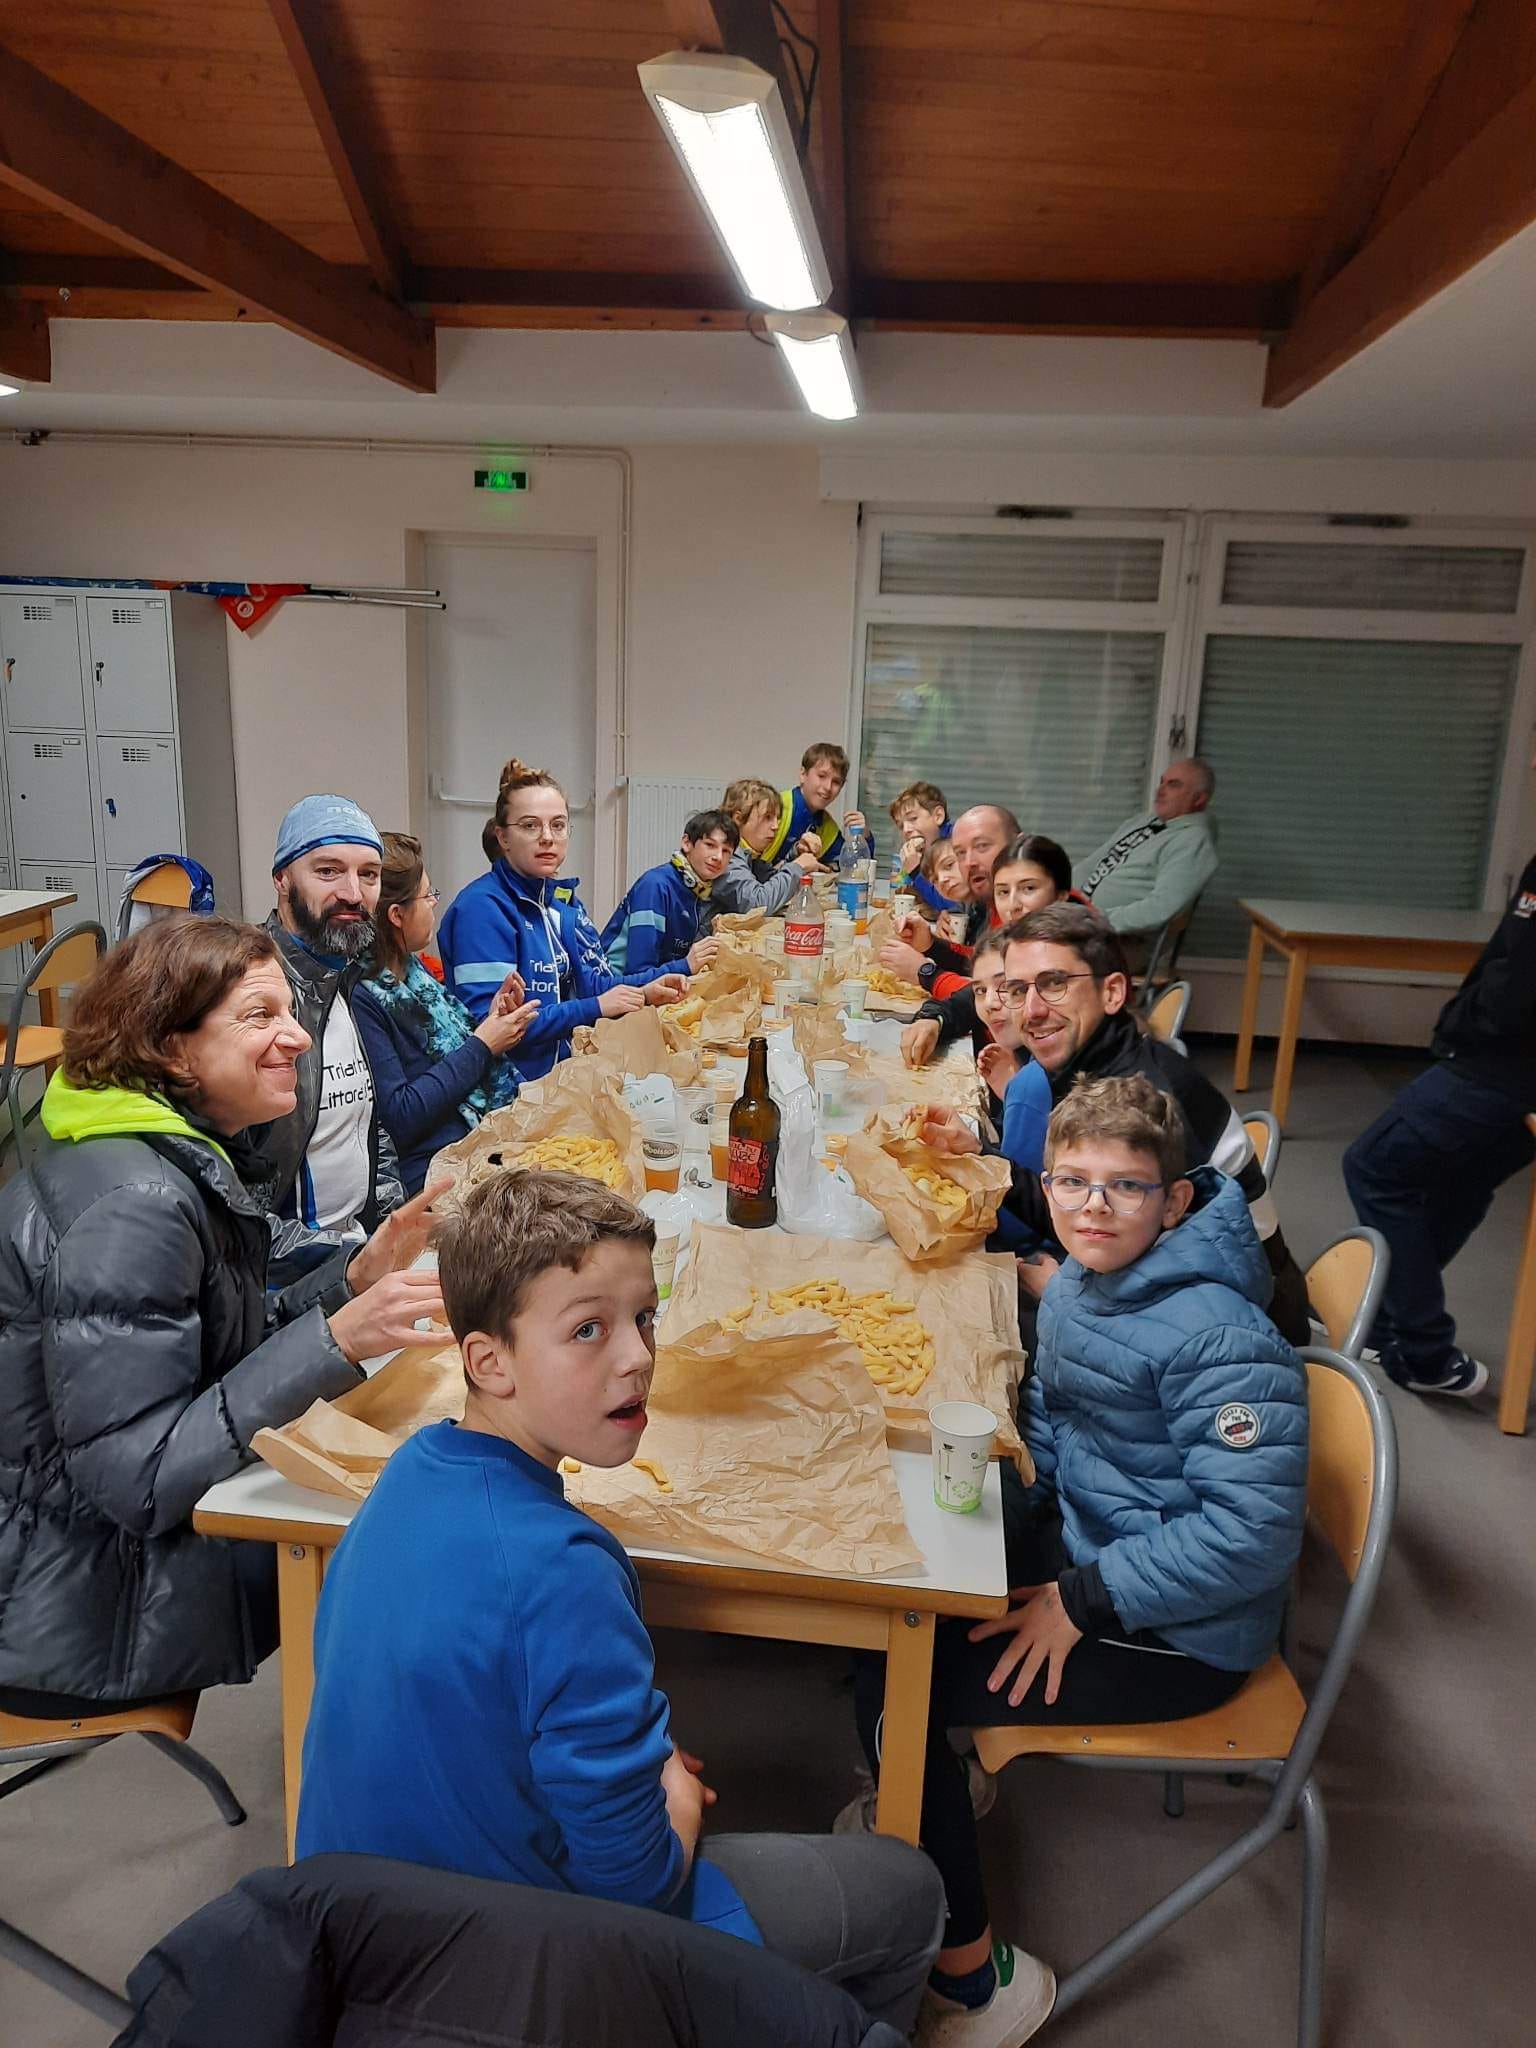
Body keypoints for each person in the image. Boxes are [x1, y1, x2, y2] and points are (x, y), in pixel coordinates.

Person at [296, 1170, 945, 2036]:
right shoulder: (564, 1569)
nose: (638, 1356)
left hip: (362, 1942)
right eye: (588, 1330)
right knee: (907, 1889)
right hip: (516, 1974)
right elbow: (636, 1882)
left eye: (644, 1317)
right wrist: (673, 1794)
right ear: (488, 1362)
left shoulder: (409, 1474)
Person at [846, 1076, 1308, 2045]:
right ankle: (932, 1789)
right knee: (898, 1591)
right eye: (1071, 1180)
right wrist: (1019, 1509)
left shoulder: (1221, 1337)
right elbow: (1066, 1414)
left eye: (1124, 1186)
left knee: (902, 1681)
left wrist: (1081, 1598)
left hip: (1183, 1631)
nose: (1092, 1206)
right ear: (1044, 1182)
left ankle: (976, 1983)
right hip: (1100, 1547)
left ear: (1173, 1201)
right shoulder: (1086, 1283)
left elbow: (1250, 1535)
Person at [0, 917, 445, 1715]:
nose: (297, 1038)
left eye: (291, 1012)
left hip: (66, 1559)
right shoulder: (136, 1204)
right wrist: (335, 1340)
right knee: (417, 1538)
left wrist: (351, 1281)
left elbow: (211, 1347)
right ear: (172, 1049)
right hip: (72, 1605)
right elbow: (142, 1481)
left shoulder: (159, 1147)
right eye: (259, 1016)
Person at [920, 904, 1311, 1343]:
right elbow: (1094, 1209)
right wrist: (980, 1154)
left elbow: (1199, 1284)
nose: (1030, 1011)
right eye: (1017, 989)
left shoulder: (1146, 1102)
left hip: (1233, 1321)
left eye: (1054, 984)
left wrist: (1065, 1294)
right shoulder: (1090, 1063)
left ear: (1112, 992)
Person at [1343, 851, 1536, 1398]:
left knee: (1375, 1167)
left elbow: (1516, 985)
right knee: (1462, 1183)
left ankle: (1422, 1347)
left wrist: (1462, 1025)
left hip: (1499, 1066)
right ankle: (1386, 1325)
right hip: (1512, 1070)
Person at [437, 758, 686, 1081]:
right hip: (508, 1087)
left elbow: (592, 986)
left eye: (558, 825)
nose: (547, 837)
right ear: (502, 837)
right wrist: (596, 1007)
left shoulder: (550, 903)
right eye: (530, 826)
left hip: (558, 1073)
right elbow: (491, 1028)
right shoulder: (481, 908)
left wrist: (646, 991)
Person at [249, 794, 406, 1270]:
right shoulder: (248, 999)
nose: (353, 893)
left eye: (369, 874)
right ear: (282, 879)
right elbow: (234, 1215)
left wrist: (394, 1229)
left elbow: (368, 1124)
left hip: (355, 1257)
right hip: (290, 1283)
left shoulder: (346, 977)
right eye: (328, 871)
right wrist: (350, 1260)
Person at [353, 833, 541, 1195]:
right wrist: (483, 1045)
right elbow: (401, 1115)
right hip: (434, 1173)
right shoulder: (363, 997)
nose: (434, 904)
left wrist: (492, 1021)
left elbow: (451, 1053)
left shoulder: (414, 970)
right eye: (427, 896)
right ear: (396, 915)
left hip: (475, 1147)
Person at [899, 832, 1073, 1072]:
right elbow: (977, 989)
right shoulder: (1006, 932)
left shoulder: (1073, 957)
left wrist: (926, 973)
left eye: (1029, 888)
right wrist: (934, 1018)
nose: (1013, 905)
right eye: (1003, 892)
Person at [880, 805, 1020, 1004]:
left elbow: (998, 999)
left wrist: (925, 973)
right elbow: (981, 963)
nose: (969, 862)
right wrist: (931, 945)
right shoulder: (994, 906)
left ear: (1018, 845)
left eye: (982, 846)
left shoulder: (1027, 909)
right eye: (961, 853)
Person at [1079, 758, 1218, 936]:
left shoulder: (1193, 841)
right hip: (1078, 914)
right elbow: (1091, 864)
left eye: (1173, 785)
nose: (1159, 791)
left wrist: (1094, 920)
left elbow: (1159, 909)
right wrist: (1059, 894)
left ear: (1198, 799)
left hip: (1110, 935)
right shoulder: (1142, 821)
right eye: (1162, 782)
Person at [600, 809, 736, 978]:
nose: (718, 857)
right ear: (687, 843)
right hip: (613, 984)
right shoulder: (655, 886)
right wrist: (686, 966)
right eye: (710, 845)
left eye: (726, 851)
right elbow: (638, 972)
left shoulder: (697, 892)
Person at [712, 775, 823, 918]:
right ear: (738, 819)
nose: (776, 826)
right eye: (767, 817)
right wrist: (798, 867)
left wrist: (797, 854)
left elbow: (769, 882)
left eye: (777, 818)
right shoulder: (726, 855)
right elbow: (758, 904)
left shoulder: (747, 854)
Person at [761, 742, 870, 869]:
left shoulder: (827, 827)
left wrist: (863, 836)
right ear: (803, 774)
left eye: (836, 782)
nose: (828, 787)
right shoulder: (772, 807)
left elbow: (853, 868)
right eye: (821, 776)